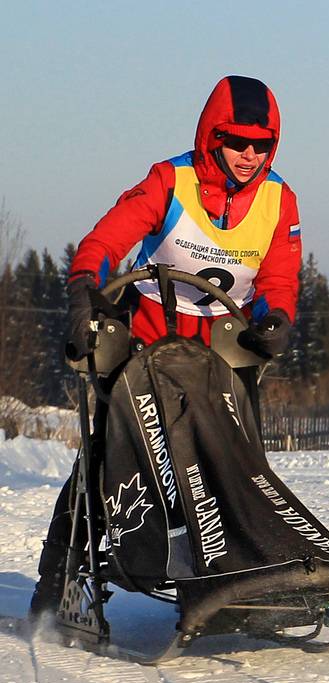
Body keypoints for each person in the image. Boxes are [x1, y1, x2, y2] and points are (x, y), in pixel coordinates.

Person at [31, 75, 302, 621]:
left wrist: (275, 317)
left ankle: (235, 579)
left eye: (261, 145)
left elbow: (279, 278)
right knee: (106, 457)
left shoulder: (279, 200)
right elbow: (103, 244)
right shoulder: (170, 181)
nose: (249, 156)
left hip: (223, 353)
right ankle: (58, 577)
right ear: (212, 137)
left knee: (235, 462)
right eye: (237, 142)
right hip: (147, 345)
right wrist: (85, 292)